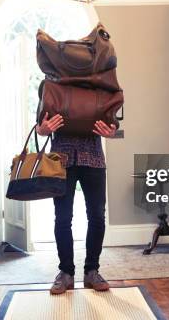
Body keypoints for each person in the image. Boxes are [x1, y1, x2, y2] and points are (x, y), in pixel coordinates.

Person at [36, 112, 117, 295]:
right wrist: (43, 129)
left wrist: (112, 131)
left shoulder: (98, 84)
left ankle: (91, 271)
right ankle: (66, 273)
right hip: (61, 160)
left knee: (97, 217)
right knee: (63, 218)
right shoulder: (51, 84)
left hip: (94, 158)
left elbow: (112, 118)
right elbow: (40, 126)